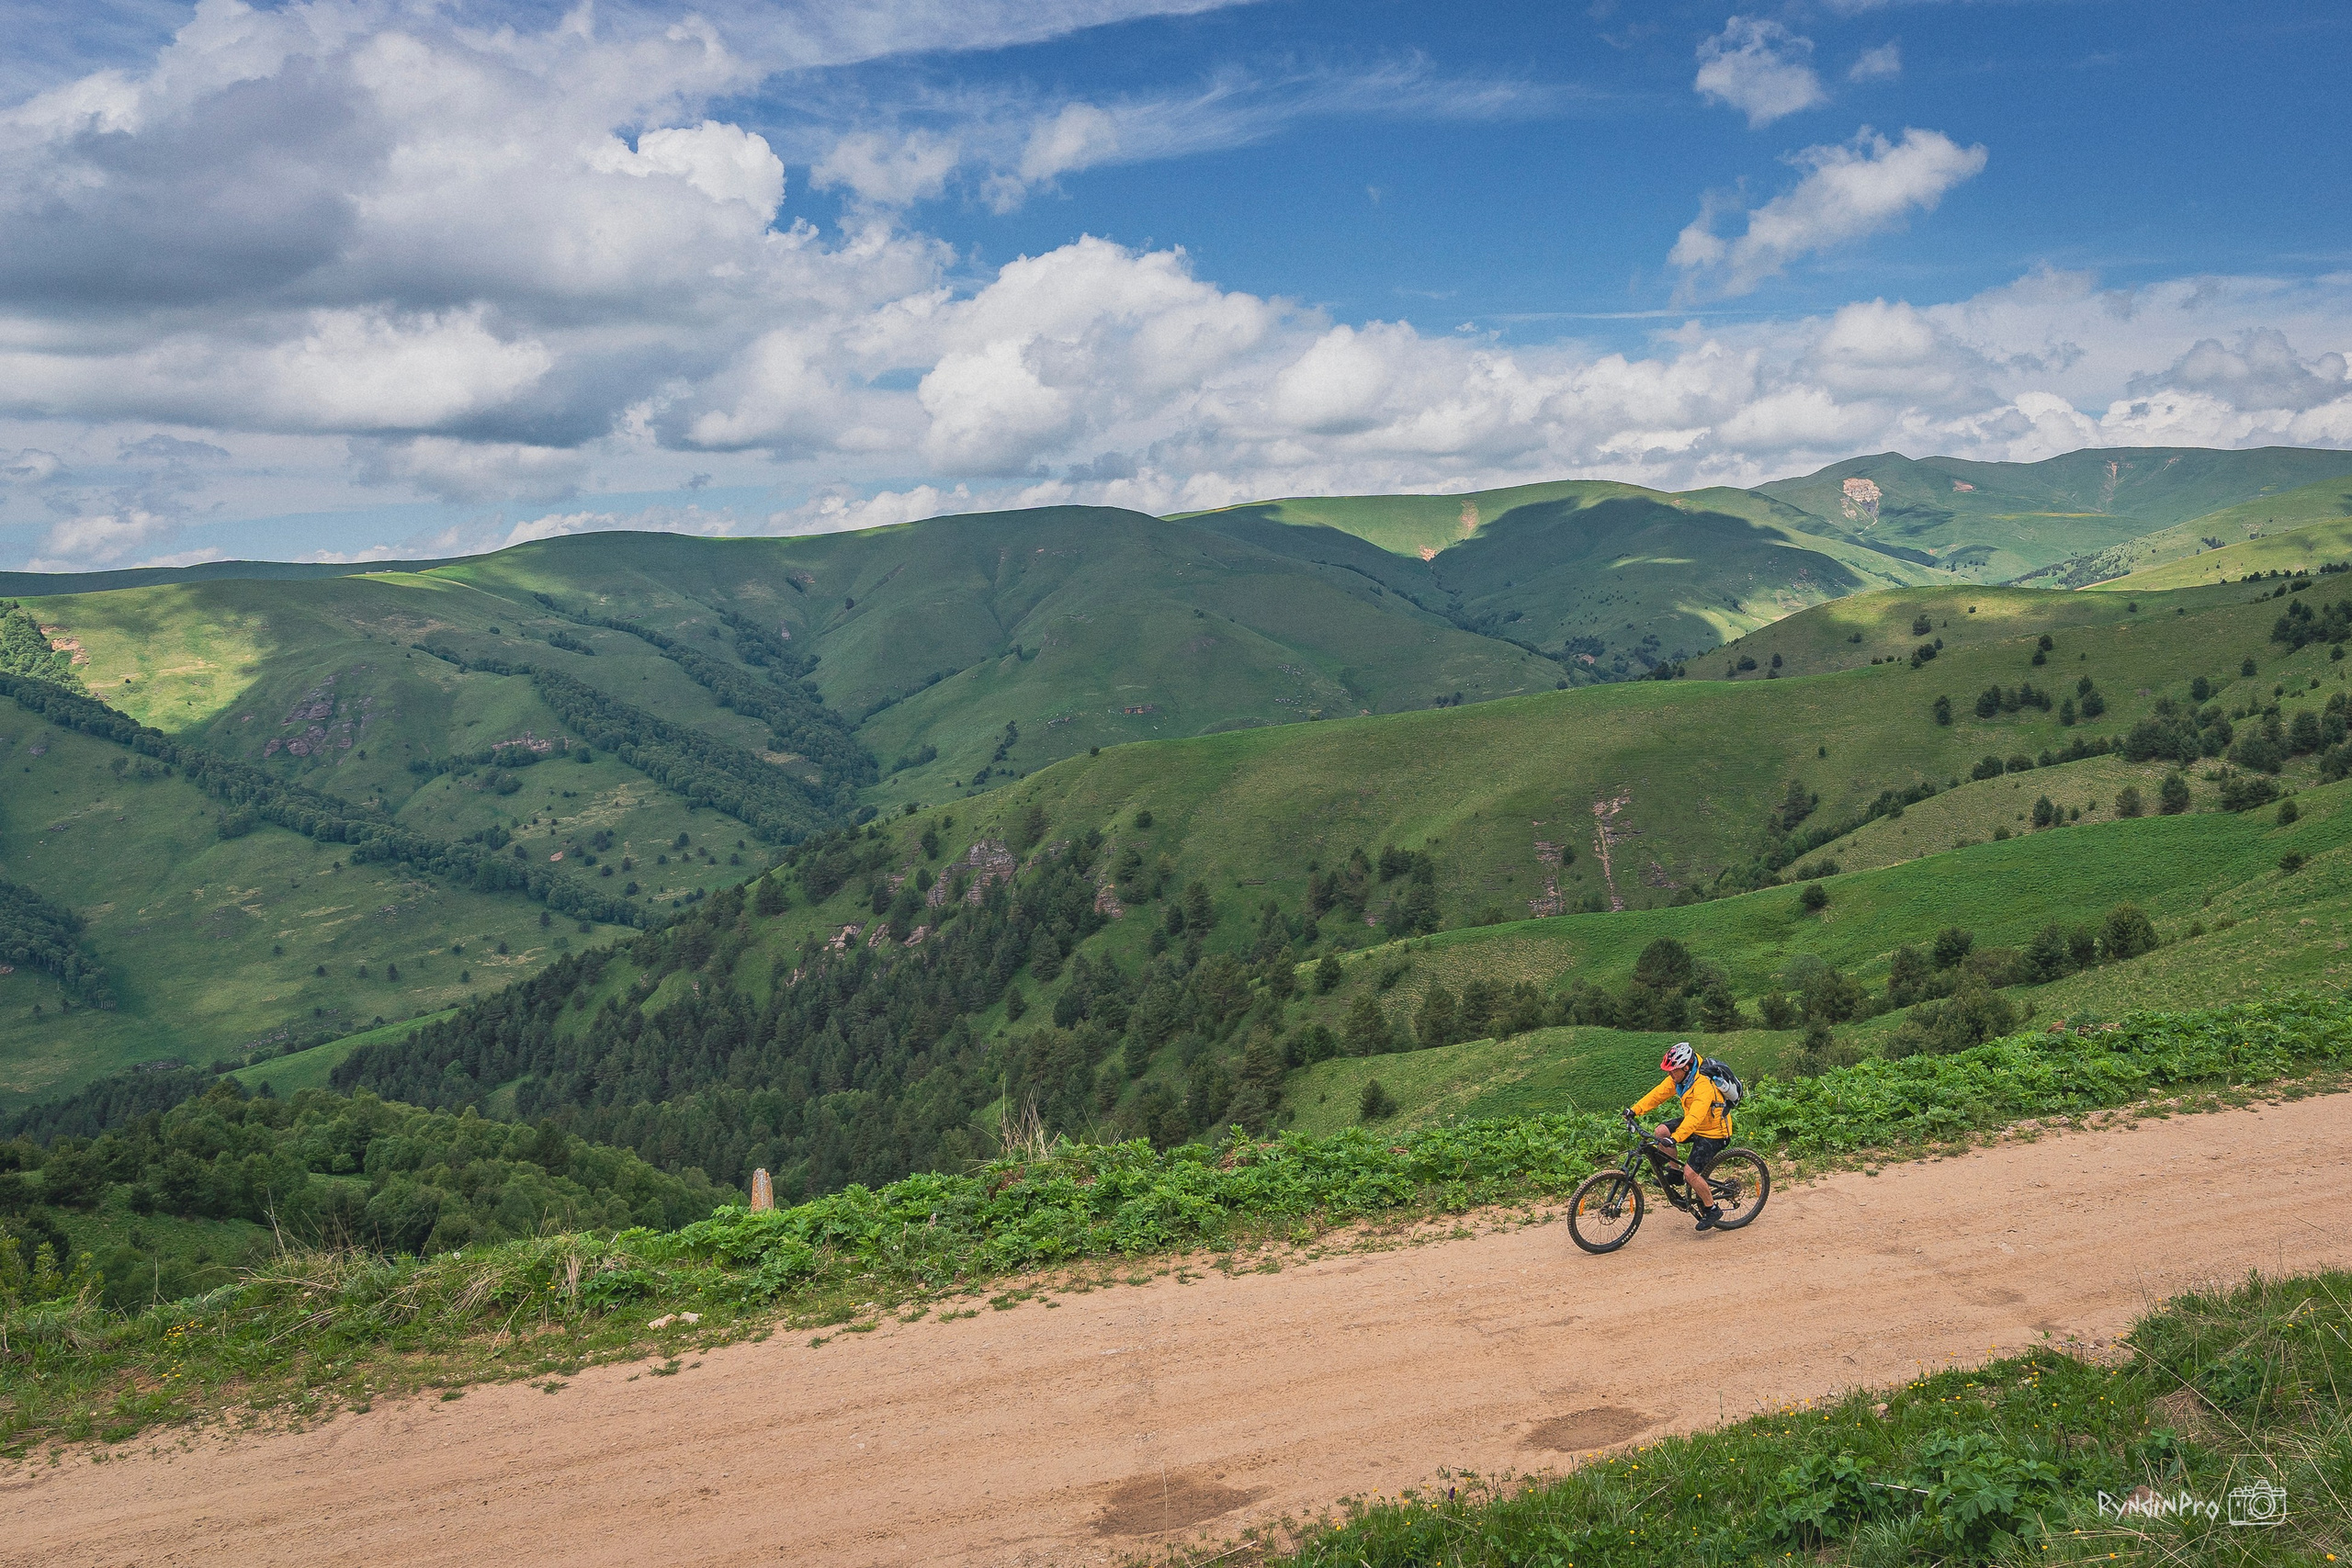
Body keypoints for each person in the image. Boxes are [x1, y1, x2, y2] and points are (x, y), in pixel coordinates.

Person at [1630, 1042, 1734, 1231]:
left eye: (1672, 1071)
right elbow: (1658, 1095)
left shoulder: (1703, 1084)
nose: (1669, 1075)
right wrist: (1635, 1110)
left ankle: (1712, 1209)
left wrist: (1676, 1138)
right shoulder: (1681, 1078)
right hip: (1695, 1125)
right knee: (1661, 1131)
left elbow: (1695, 1116)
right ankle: (1675, 1174)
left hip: (1714, 1132)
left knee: (1691, 1173)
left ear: (1686, 1067)